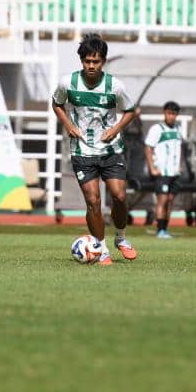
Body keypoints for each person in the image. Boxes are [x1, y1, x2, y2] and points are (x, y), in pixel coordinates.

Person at [52, 34, 138, 266]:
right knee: (93, 202)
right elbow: (56, 104)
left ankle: (120, 237)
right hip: (82, 151)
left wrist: (116, 128)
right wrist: (68, 126)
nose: (91, 65)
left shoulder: (115, 86)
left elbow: (130, 110)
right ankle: (101, 248)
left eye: (96, 61)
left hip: (110, 150)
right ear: (81, 60)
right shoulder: (67, 83)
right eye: (87, 61)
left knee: (119, 196)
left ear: (103, 61)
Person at [145, 101, 183, 239]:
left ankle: (165, 229)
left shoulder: (177, 130)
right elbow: (148, 147)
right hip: (162, 172)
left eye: (174, 114)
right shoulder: (157, 129)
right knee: (163, 200)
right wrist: (152, 168)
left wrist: (179, 165)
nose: (172, 116)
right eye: (169, 113)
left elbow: (179, 149)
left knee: (171, 200)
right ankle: (160, 230)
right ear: (164, 113)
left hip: (174, 172)